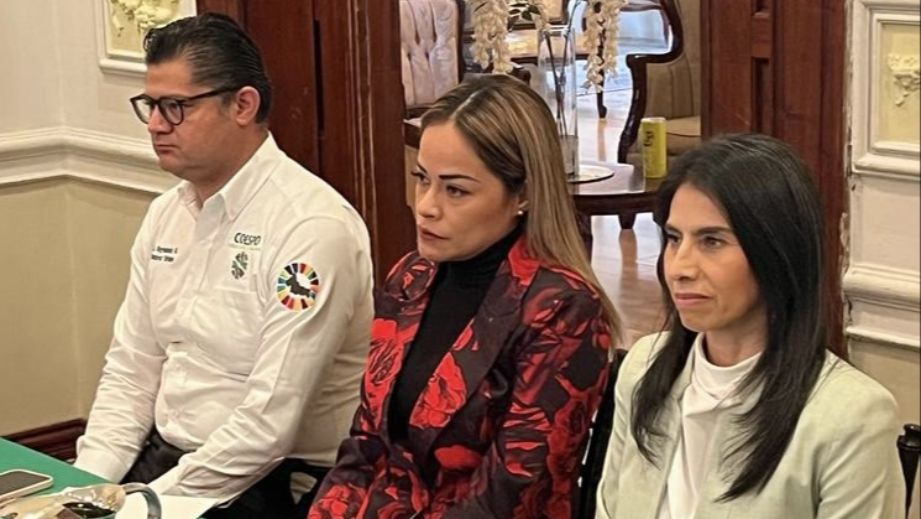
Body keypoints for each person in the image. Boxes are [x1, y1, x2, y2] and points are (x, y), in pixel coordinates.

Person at [74, 13, 374, 518]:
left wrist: (147, 507)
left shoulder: (311, 227)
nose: (156, 125)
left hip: (272, 481)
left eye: (176, 107)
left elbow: (267, 427)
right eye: (151, 105)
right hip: (168, 460)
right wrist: (86, 488)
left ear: (243, 105)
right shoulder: (166, 214)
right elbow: (132, 371)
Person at [308, 74, 620, 518]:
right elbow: (365, 445)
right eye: (422, 179)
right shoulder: (411, 277)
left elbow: (512, 492)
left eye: (455, 190)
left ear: (523, 195)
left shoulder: (563, 309)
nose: (426, 206)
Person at [595, 134, 905, 518]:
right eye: (674, 238)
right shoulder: (644, 366)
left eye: (712, 241)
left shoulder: (852, 416)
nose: (679, 268)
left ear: (775, 252)